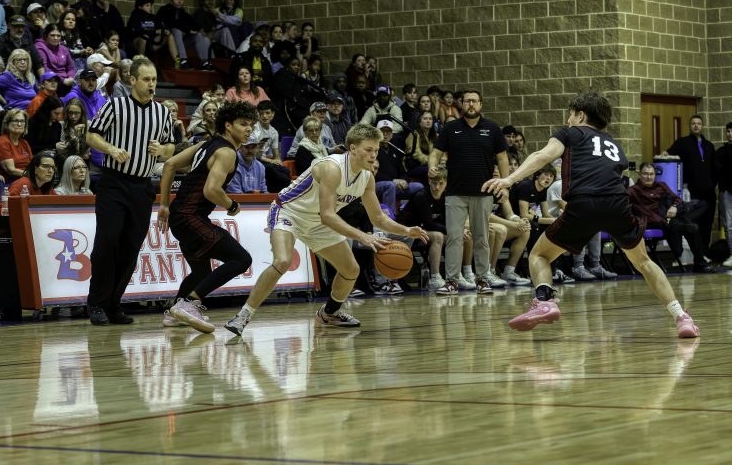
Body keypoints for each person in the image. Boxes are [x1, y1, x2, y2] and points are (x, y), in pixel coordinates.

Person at [483, 91, 699, 338]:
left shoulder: (571, 133)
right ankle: (681, 317)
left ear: (581, 115)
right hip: (618, 204)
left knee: (539, 255)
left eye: (570, 115)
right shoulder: (613, 143)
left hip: (584, 203)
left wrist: (509, 179)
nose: (568, 120)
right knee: (644, 262)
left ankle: (544, 301)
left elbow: (542, 156)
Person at [224, 124, 429, 339]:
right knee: (282, 261)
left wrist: (406, 230)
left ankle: (329, 313)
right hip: (289, 212)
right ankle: (243, 315)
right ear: (353, 148)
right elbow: (328, 215)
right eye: (369, 150)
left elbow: (378, 218)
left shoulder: (367, 178)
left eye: (376, 150)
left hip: (317, 222)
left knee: (351, 269)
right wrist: (363, 236)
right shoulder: (332, 168)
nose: (373, 155)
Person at [85, 57, 175, 326]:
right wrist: (111, 149)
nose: (151, 84)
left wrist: (162, 150)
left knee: (131, 247)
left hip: (142, 186)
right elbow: (92, 135)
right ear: (132, 80)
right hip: (114, 183)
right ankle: (96, 302)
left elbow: (171, 146)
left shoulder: (162, 113)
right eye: (146, 79)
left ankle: (113, 304)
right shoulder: (115, 105)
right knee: (107, 241)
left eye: (154, 79)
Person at [157, 101, 257, 332]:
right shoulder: (226, 152)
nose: (249, 129)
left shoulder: (206, 144)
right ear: (228, 125)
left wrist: (164, 205)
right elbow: (211, 190)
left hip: (179, 217)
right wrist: (232, 205)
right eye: (243, 124)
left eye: (251, 124)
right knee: (241, 259)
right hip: (191, 217)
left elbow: (170, 164)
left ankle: (174, 314)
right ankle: (189, 303)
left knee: (202, 272)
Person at [428, 89, 509, 295]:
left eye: (474, 101)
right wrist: (432, 165)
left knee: (481, 237)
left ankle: (482, 280)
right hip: (455, 192)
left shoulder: (492, 128)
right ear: (461, 105)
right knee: (454, 237)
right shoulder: (451, 127)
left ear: (480, 104)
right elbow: (435, 153)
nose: (471, 104)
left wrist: (505, 185)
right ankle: (451, 282)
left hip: (484, 192)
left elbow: (502, 158)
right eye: (467, 101)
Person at [627, 161, 710, 271]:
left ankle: (700, 264)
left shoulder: (661, 186)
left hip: (669, 218)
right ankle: (683, 253)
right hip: (653, 222)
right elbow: (623, 206)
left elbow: (677, 199)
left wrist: (674, 207)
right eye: (645, 174)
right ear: (640, 174)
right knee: (686, 226)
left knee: (692, 224)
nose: (649, 177)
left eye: (651, 174)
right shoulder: (633, 191)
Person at [667, 115, 716, 254]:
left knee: (707, 223)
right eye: (693, 123)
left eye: (699, 123)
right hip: (691, 192)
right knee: (693, 223)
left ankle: (704, 253)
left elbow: (714, 167)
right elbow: (668, 155)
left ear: (702, 126)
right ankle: (695, 253)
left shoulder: (709, 145)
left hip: (709, 192)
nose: (696, 126)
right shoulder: (682, 142)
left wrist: (713, 184)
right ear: (690, 126)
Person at [0, 108, 34, 183]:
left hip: (25, 178)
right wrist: (34, 175)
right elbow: (11, 170)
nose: (19, 124)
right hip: (7, 181)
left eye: (22, 121)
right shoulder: (2, 142)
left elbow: (32, 164)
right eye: (16, 121)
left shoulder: (24, 142)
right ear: (7, 123)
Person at [156, 0, 200, 69]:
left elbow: (195, 24)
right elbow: (172, 23)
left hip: (180, 42)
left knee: (198, 35)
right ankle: (183, 60)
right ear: (171, 1)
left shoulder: (182, 12)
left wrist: (197, 29)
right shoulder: (165, 10)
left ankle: (205, 61)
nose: (179, 1)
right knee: (177, 31)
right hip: (167, 41)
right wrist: (188, 30)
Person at [716, 121, 732, 268]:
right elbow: (719, 172)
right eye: (728, 131)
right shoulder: (721, 151)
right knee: (729, 225)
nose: (730, 134)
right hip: (726, 192)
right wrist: (723, 188)